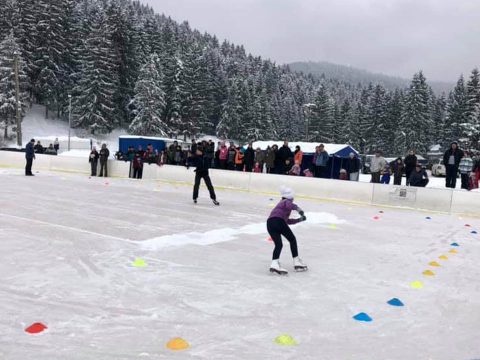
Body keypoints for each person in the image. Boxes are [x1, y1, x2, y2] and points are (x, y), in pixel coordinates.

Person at [267, 186, 307, 275]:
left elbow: (287, 221)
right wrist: (299, 209)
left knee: (278, 244)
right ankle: (296, 261)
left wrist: (299, 220)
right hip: (278, 221)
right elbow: (290, 205)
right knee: (292, 239)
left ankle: (274, 263)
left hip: (270, 223)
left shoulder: (281, 205)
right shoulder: (286, 202)